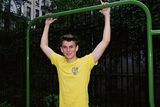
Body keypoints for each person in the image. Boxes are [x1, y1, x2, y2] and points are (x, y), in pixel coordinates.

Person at [40, 0, 110, 107]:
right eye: (65, 47)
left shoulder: (86, 62)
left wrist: (107, 15)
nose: (68, 50)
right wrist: (47, 25)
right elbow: (43, 45)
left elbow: (105, 41)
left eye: (71, 47)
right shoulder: (59, 61)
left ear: (77, 48)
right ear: (61, 49)